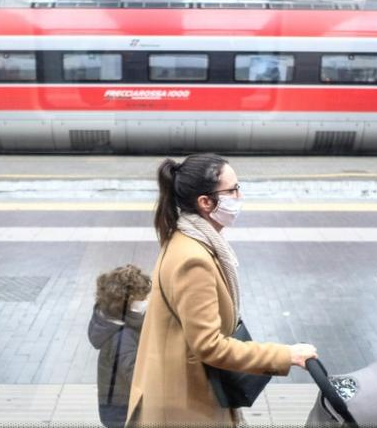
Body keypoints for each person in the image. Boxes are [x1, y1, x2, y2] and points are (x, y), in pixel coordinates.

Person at [126, 153, 318, 426]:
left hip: (179, 392)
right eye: (233, 190)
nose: (239, 196)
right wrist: (286, 355)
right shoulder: (194, 259)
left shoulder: (188, 239)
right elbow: (210, 346)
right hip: (184, 406)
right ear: (205, 202)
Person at [88, 264, 152, 428]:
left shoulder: (112, 322)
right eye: (142, 298)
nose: (146, 301)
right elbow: (137, 377)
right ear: (128, 302)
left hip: (113, 405)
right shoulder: (123, 336)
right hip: (122, 411)